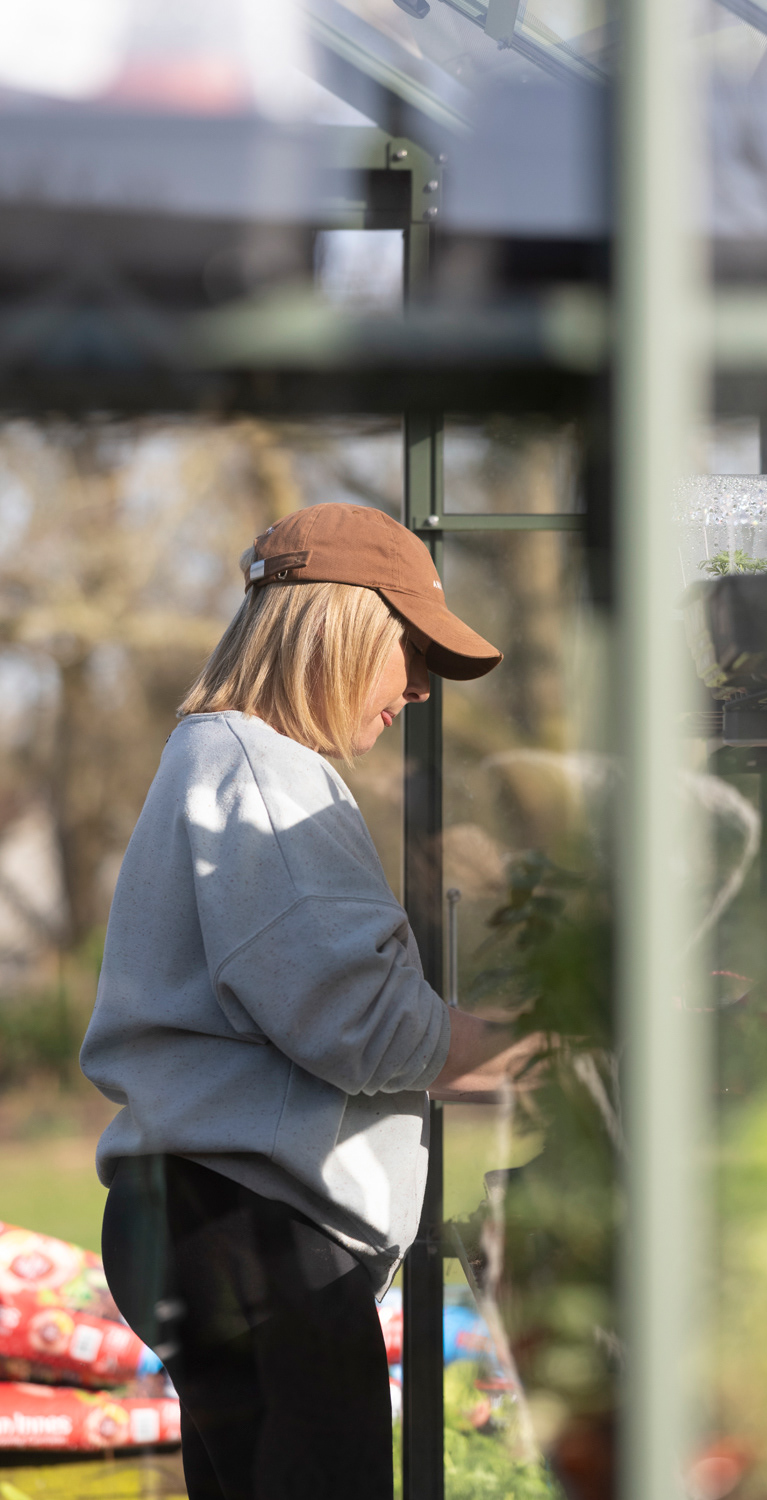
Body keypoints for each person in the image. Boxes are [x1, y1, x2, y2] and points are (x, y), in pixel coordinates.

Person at [80, 502, 540, 1500]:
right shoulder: (265, 776)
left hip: (211, 1225)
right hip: (258, 1237)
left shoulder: (223, 761)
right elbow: (362, 1025)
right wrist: (559, 1044)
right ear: (343, 626)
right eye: (411, 649)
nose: (419, 686)